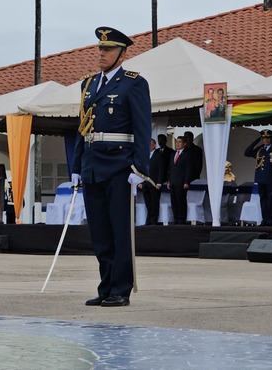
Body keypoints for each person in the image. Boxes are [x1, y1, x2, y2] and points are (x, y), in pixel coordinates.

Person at [72, 26, 151, 307]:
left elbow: (143, 129)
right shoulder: (89, 84)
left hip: (120, 165)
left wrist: (139, 169)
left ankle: (120, 288)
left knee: (119, 230)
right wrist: (76, 166)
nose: (102, 53)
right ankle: (105, 286)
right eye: (100, 48)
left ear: (122, 53)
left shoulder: (134, 83)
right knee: (100, 232)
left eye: (108, 49)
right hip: (92, 164)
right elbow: (82, 127)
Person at [244, 129, 272, 227]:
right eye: (264, 138)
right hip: (261, 178)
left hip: (271, 179)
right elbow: (247, 152)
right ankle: (264, 219)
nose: (266, 140)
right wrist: (257, 141)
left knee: (270, 200)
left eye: (268, 138)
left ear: (271, 139)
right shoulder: (260, 150)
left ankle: (270, 220)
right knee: (263, 200)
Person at [167, 136, 191, 225]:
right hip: (173, 181)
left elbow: (188, 169)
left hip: (181, 182)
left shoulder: (187, 154)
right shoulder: (173, 154)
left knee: (181, 201)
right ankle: (176, 218)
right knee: (174, 201)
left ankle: (182, 218)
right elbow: (170, 169)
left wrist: (186, 181)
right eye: (176, 142)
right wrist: (169, 180)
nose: (177, 144)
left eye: (180, 142)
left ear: (184, 144)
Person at [141, 139, 164, 225]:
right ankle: (148, 219)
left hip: (154, 183)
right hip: (145, 183)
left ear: (154, 146)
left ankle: (154, 219)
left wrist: (159, 182)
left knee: (154, 202)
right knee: (148, 202)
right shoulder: (144, 156)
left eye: (150, 145)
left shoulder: (158, 156)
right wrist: (141, 182)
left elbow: (161, 170)